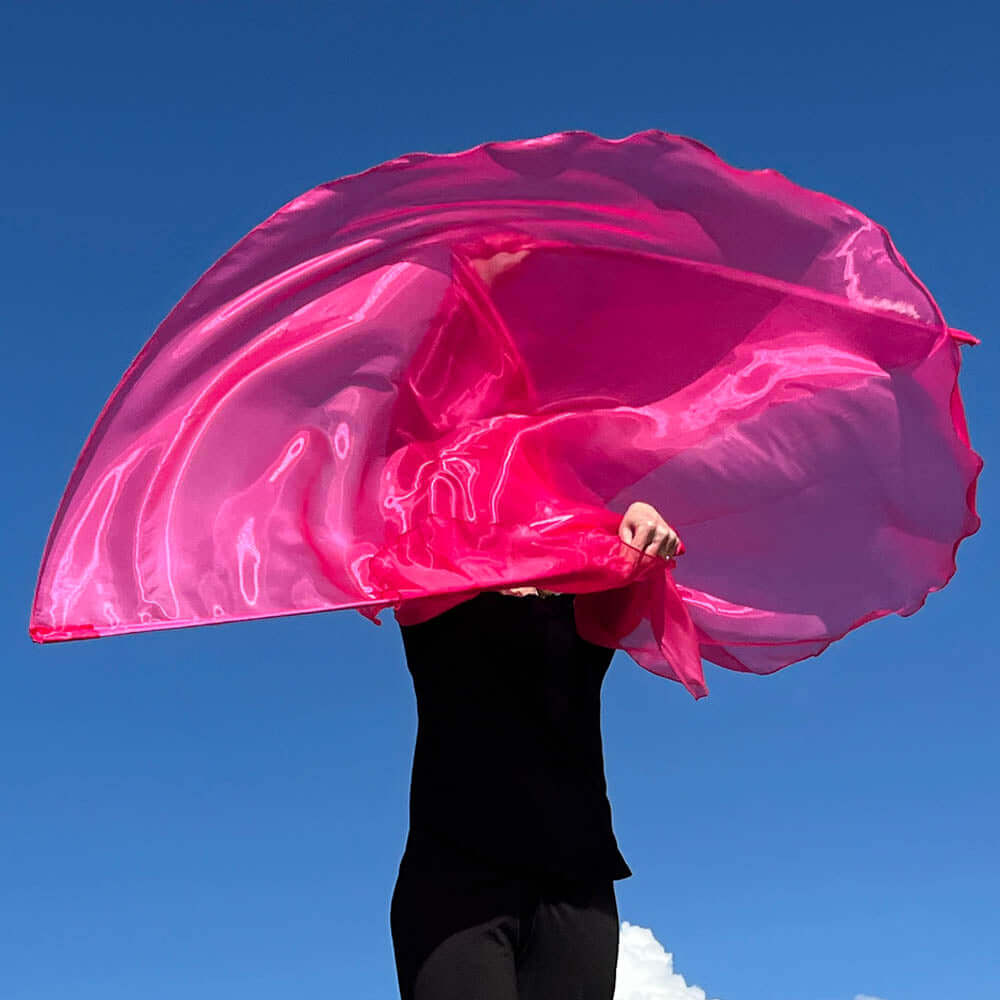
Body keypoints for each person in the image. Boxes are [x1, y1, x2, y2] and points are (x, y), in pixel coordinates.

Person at [390, 502, 682, 1000]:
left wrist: (640, 512)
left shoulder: (583, 609)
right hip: (454, 880)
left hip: (577, 887)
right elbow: (390, 511)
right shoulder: (432, 593)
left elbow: (632, 549)